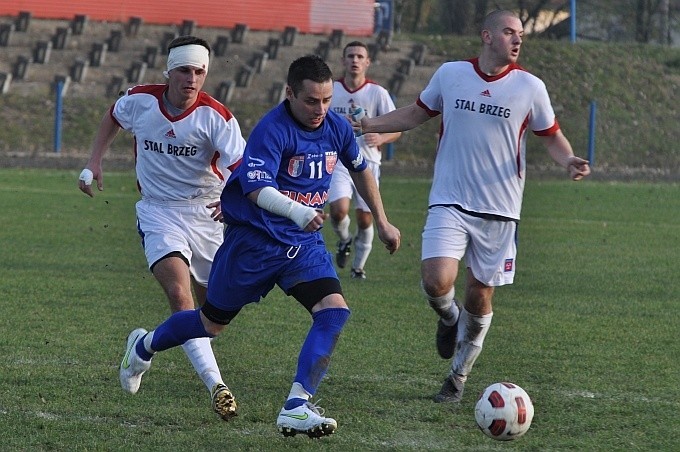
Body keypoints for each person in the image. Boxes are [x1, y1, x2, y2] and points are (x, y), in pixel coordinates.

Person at [117, 55, 401, 437]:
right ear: (290, 94)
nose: (320, 110)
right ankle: (144, 346)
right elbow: (255, 188)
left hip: (302, 244)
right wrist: (298, 211)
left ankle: (296, 406)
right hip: (255, 243)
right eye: (311, 101)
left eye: (327, 100)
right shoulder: (273, 130)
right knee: (209, 324)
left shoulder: (335, 126)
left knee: (333, 312)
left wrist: (381, 220)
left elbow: (360, 167)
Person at [355, 10, 591, 403]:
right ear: (487, 36)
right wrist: (368, 125)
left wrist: (567, 159)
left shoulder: (530, 86)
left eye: (520, 35)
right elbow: (416, 114)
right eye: (509, 33)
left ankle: (458, 377)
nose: (517, 40)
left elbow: (551, 136)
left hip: (500, 210)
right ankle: (449, 318)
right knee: (435, 281)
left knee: (479, 297)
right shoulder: (451, 74)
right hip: (450, 199)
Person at [77, 35, 246, 420]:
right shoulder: (140, 101)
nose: (192, 79)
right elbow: (113, 116)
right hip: (158, 211)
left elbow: (244, 169)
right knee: (177, 293)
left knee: (212, 314)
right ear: (168, 71)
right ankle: (216, 386)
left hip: (208, 214)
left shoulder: (217, 117)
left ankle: (142, 348)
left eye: (199, 72)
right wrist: (95, 160)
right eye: (184, 70)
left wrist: (234, 200)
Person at [328, 41, 401, 279]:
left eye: (360, 56)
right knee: (339, 212)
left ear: (367, 62)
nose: (355, 60)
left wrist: (380, 138)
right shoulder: (331, 89)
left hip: (368, 162)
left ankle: (358, 268)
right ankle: (345, 240)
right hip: (338, 161)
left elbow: (397, 128)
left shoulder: (377, 93)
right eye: (350, 56)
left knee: (365, 216)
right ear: (343, 60)